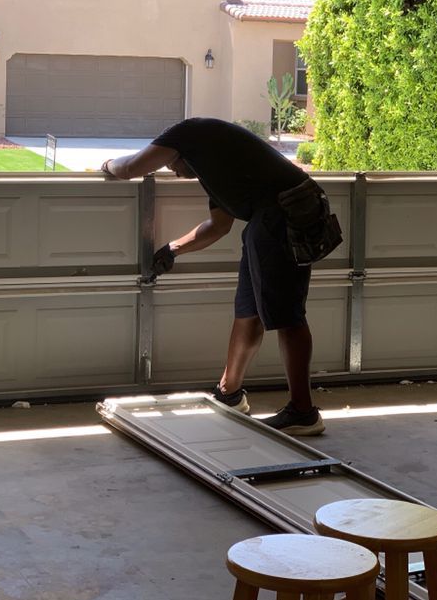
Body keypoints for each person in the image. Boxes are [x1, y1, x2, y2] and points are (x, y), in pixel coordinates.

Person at [101, 117, 328, 436]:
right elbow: (219, 227)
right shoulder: (215, 172)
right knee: (248, 310)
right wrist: (173, 249)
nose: (172, 172)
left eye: (170, 165)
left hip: (284, 214)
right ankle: (229, 394)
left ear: (176, 151)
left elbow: (131, 167)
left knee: (287, 315)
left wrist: (108, 165)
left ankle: (303, 412)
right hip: (270, 220)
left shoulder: (190, 132)